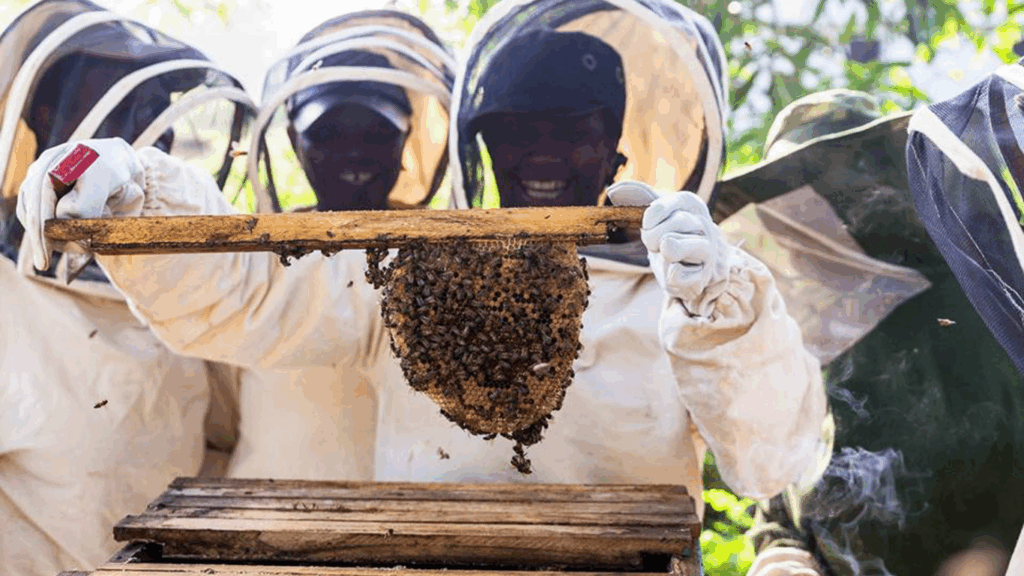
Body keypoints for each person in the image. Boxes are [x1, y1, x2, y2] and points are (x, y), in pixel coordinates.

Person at [16, 0, 827, 556]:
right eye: (516, 131)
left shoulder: (690, 290)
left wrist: (721, 305)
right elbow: (246, 294)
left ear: (613, 145)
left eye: (570, 130)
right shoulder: (412, 269)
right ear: (482, 146)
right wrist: (139, 191)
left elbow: (770, 462)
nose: (542, 153)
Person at [718, 88, 1024, 576]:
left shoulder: (968, 303)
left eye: (824, 197)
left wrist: (991, 555)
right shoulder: (798, 332)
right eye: (790, 206)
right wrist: (783, 554)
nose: (809, 222)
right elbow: (782, 494)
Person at [0, 1, 256, 574]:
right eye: (120, 106)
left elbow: (220, 446)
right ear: (44, 112)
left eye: (152, 110)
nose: (146, 131)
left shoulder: (186, 296)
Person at [222, 9, 455, 480]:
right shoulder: (254, 260)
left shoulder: (448, 256)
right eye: (328, 133)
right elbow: (219, 413)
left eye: (375, 134)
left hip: (412, 527)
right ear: (293, 138)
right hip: (267, 525)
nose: (354, 152)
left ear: (406, 135)